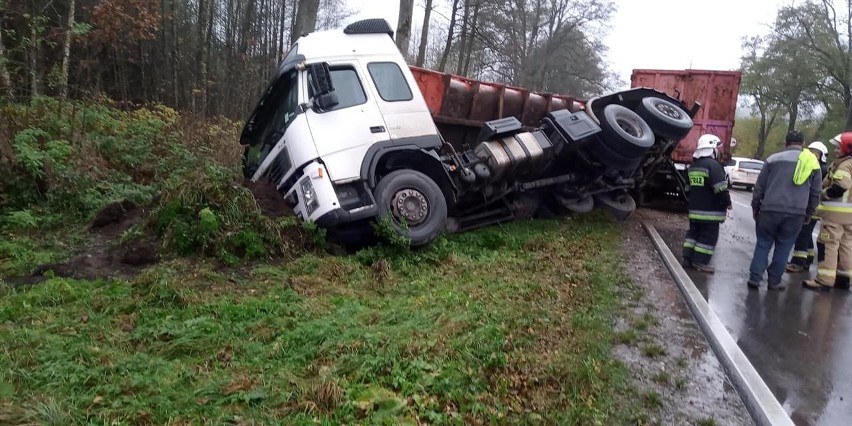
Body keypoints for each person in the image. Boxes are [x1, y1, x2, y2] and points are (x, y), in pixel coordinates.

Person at [748, 130, 822, 290]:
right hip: (796, 213)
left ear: (785, 143)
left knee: (763, 244)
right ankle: (774, 281)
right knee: (784, 247)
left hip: (769, 210)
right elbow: (815, 193)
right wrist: (809, 212)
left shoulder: (772, 159)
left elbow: (759, 187)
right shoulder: (812, 163)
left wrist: (755, 206)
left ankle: (755, 278)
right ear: (803, 144)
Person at [803, 132, 852, 292]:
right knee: (846, 245)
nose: (836, 150)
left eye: (838, 147)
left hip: (835, 216)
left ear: (847, 148)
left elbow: (841, 186)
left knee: (828, 244)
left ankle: (824, 280)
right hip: (848, 216)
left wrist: (823, 193)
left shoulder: (844, 165)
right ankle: (843, 278)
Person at [682, 134, 732, 273]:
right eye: (717, 147)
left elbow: (687, 188)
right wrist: (728, 203)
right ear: (712, 148)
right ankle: (699, 262)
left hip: (695, 210)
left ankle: (687, 258)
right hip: (710, 214)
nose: (719, 150)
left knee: (693, 234)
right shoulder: (714, 166)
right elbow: (720, 188)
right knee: (707, 238)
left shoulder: (693, 166)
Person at [786, 141, 830, 273]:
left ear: (821, 155)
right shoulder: (819, 167)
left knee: (802, 234)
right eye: (810, 151)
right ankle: (808, 258)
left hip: (813, 207)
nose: (811, 154)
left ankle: (798, 262)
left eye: (815, 152)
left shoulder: (819, 169)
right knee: (807, 233)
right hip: (814, 206)